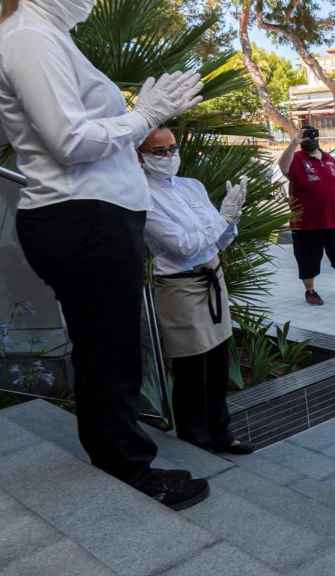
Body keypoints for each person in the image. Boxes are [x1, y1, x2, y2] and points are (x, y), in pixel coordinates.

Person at [0, 0, 210, 509]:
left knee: (106, 348)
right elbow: (70, 140)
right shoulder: (29, 35)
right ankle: (128, 469)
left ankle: (120, 457)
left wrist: (138, 115)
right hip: (81, 217)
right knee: (110, 352)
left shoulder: (46, 31)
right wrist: (145, 117)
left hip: (89, 216)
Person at [138, 127, 254, 456]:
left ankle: (222, 431)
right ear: (140, 156)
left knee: (218, 360)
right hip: (181, 286)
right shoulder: (143, 196)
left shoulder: (192, 186)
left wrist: (231, 219)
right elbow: (182, 246)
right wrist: (221, 218)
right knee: (191, 366)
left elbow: (218, 240)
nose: (169, 156)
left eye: (172, 148)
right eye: (158, 151)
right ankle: (194, 437)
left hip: (212, 277)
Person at [278, 124, 335, 304]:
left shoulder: (329, 159)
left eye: (311, 136)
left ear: (317, 138)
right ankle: (310, 291)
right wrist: (293, 143)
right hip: (306, 223)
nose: (308, 140)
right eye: (304, 137)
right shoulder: (296, 159)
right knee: (308, 259)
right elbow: (283, 167)